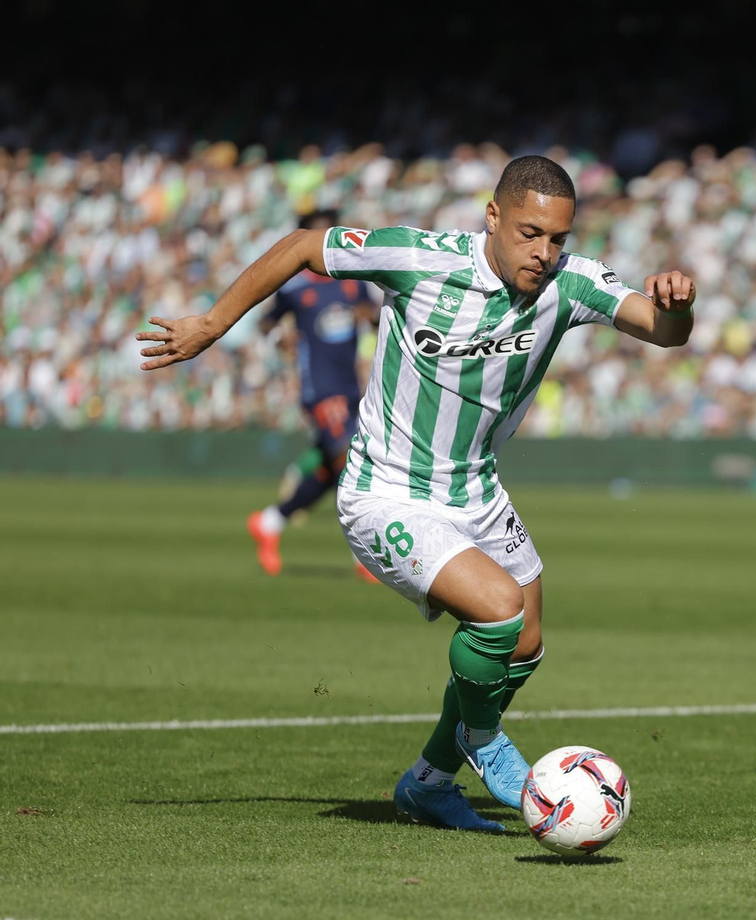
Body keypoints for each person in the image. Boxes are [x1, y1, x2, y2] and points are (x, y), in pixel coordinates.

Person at [139, 156, 695, 832]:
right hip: (386, 491)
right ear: (492, 217)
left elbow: (662, 332)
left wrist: (678, 309)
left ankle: (429, 782)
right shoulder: (421, 259)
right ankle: (482, 739)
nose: (544, 253)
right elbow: (304, 246)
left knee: (526, 643)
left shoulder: (571, 284)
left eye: (557, 239)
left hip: (475, 489)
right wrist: (213, 321)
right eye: (529, 234)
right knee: (498, 611)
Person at [246, 208, 380, 580]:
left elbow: (374, 316)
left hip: (350, 388)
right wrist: (281, 338)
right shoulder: (294, 286)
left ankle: (269, 523)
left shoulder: (352, 280)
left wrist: (368, 315)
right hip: (319, 389)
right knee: (351, 463)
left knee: (327, 471)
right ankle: (365, 554)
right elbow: (266, 323)